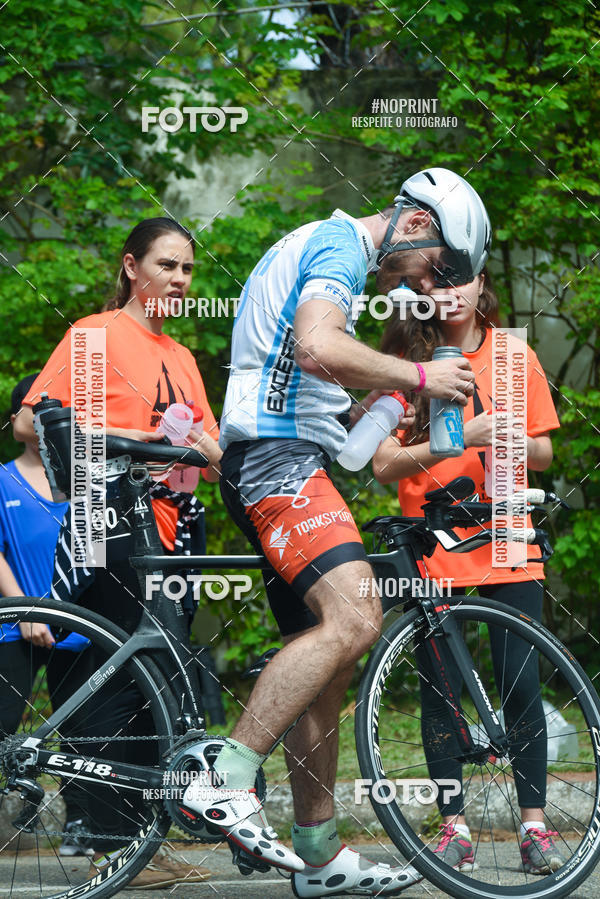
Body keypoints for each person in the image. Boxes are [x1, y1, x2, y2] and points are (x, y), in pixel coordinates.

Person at [181, 168, 488, 896]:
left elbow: (354, 452)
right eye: (440, 265)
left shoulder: (338, 267)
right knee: (356, 615)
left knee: (326, 658)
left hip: (294, 455)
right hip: (275, 460)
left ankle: (317, 854)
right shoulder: (340, 245)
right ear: (414, 226)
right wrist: (418, 381)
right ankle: (224, 777)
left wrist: (397, 402)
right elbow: (316, 344)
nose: (433, 285)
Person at [22, 217, 222, 889]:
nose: (180, 279)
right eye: (167, 265)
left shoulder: (184, 357)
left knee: (157, 685)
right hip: (106, 525)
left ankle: (141, 840)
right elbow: (31, 420)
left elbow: (213, 456)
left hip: (171, 535)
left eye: (188, 269)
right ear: (132, 266)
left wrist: (196, 452)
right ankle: (116, 843)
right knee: (115, 682)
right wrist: (132, 438)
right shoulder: (95, 334)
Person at [372, 266, 563, 875]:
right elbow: (382, 464)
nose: (447, 293)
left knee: (520, 681)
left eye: (461, 281)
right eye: (434, 284)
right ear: (420, 294)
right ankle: (452, 826)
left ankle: (534, 829)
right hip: (433, 543)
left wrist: (499, 434)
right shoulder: (404, 360)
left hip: (506, 530)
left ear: (483, 285)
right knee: (441, 691)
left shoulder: (513, 353)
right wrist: (455, 440)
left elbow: (544, 450)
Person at [0, 373, 93, 857]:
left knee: (84, 733)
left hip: (82, 628)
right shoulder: (2, 480)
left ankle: (82, 825)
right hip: (15, 626)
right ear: (14, 418)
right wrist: (26, 611)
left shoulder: (91, 483)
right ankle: (17, 814)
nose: (42, 417)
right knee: (4, 725)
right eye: (31, 407)